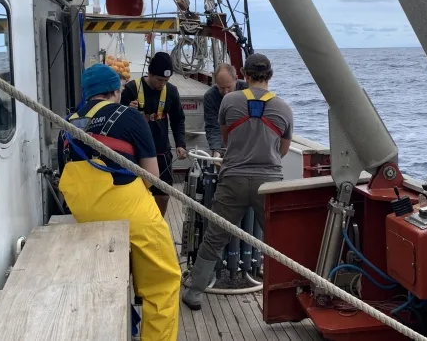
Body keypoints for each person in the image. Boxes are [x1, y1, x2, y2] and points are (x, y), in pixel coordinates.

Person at [57, 64, 181, 341]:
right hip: (129, 212)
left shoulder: (66, 125)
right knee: (164, 282)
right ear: (116, 90)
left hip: (84, 216)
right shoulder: (129, 115)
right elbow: (151, 176)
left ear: (87, 93)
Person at [182, 53, 293, 311]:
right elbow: (283, 150)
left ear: (244, 74)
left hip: (232, 178)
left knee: (214, 237)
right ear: (270, 76)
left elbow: (226, 139)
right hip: (268, 182)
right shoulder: (284, 108)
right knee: (278, 239)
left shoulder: (229, 101)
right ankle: (289, 292)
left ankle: (195, 291)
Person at [121, 52, 187, 217]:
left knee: (163, 193)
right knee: (135, 191)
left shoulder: (171, 92)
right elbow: (118, 119)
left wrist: (180, 144)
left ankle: (159, 223)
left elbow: (178, 119)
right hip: (136, 152)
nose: (162, 84)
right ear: (149, 74)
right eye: (159, 80)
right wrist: (128, 110)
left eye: (166, 81)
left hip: (160, 151)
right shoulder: (131, 89)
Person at [203, 63, 248, 157]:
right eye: (222, 88)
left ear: (236, 79)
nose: (226, 92)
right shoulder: (210, 97)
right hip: (225, 142)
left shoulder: (248, 90)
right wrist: (216, 150)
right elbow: (212, 126)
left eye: (229, 87)